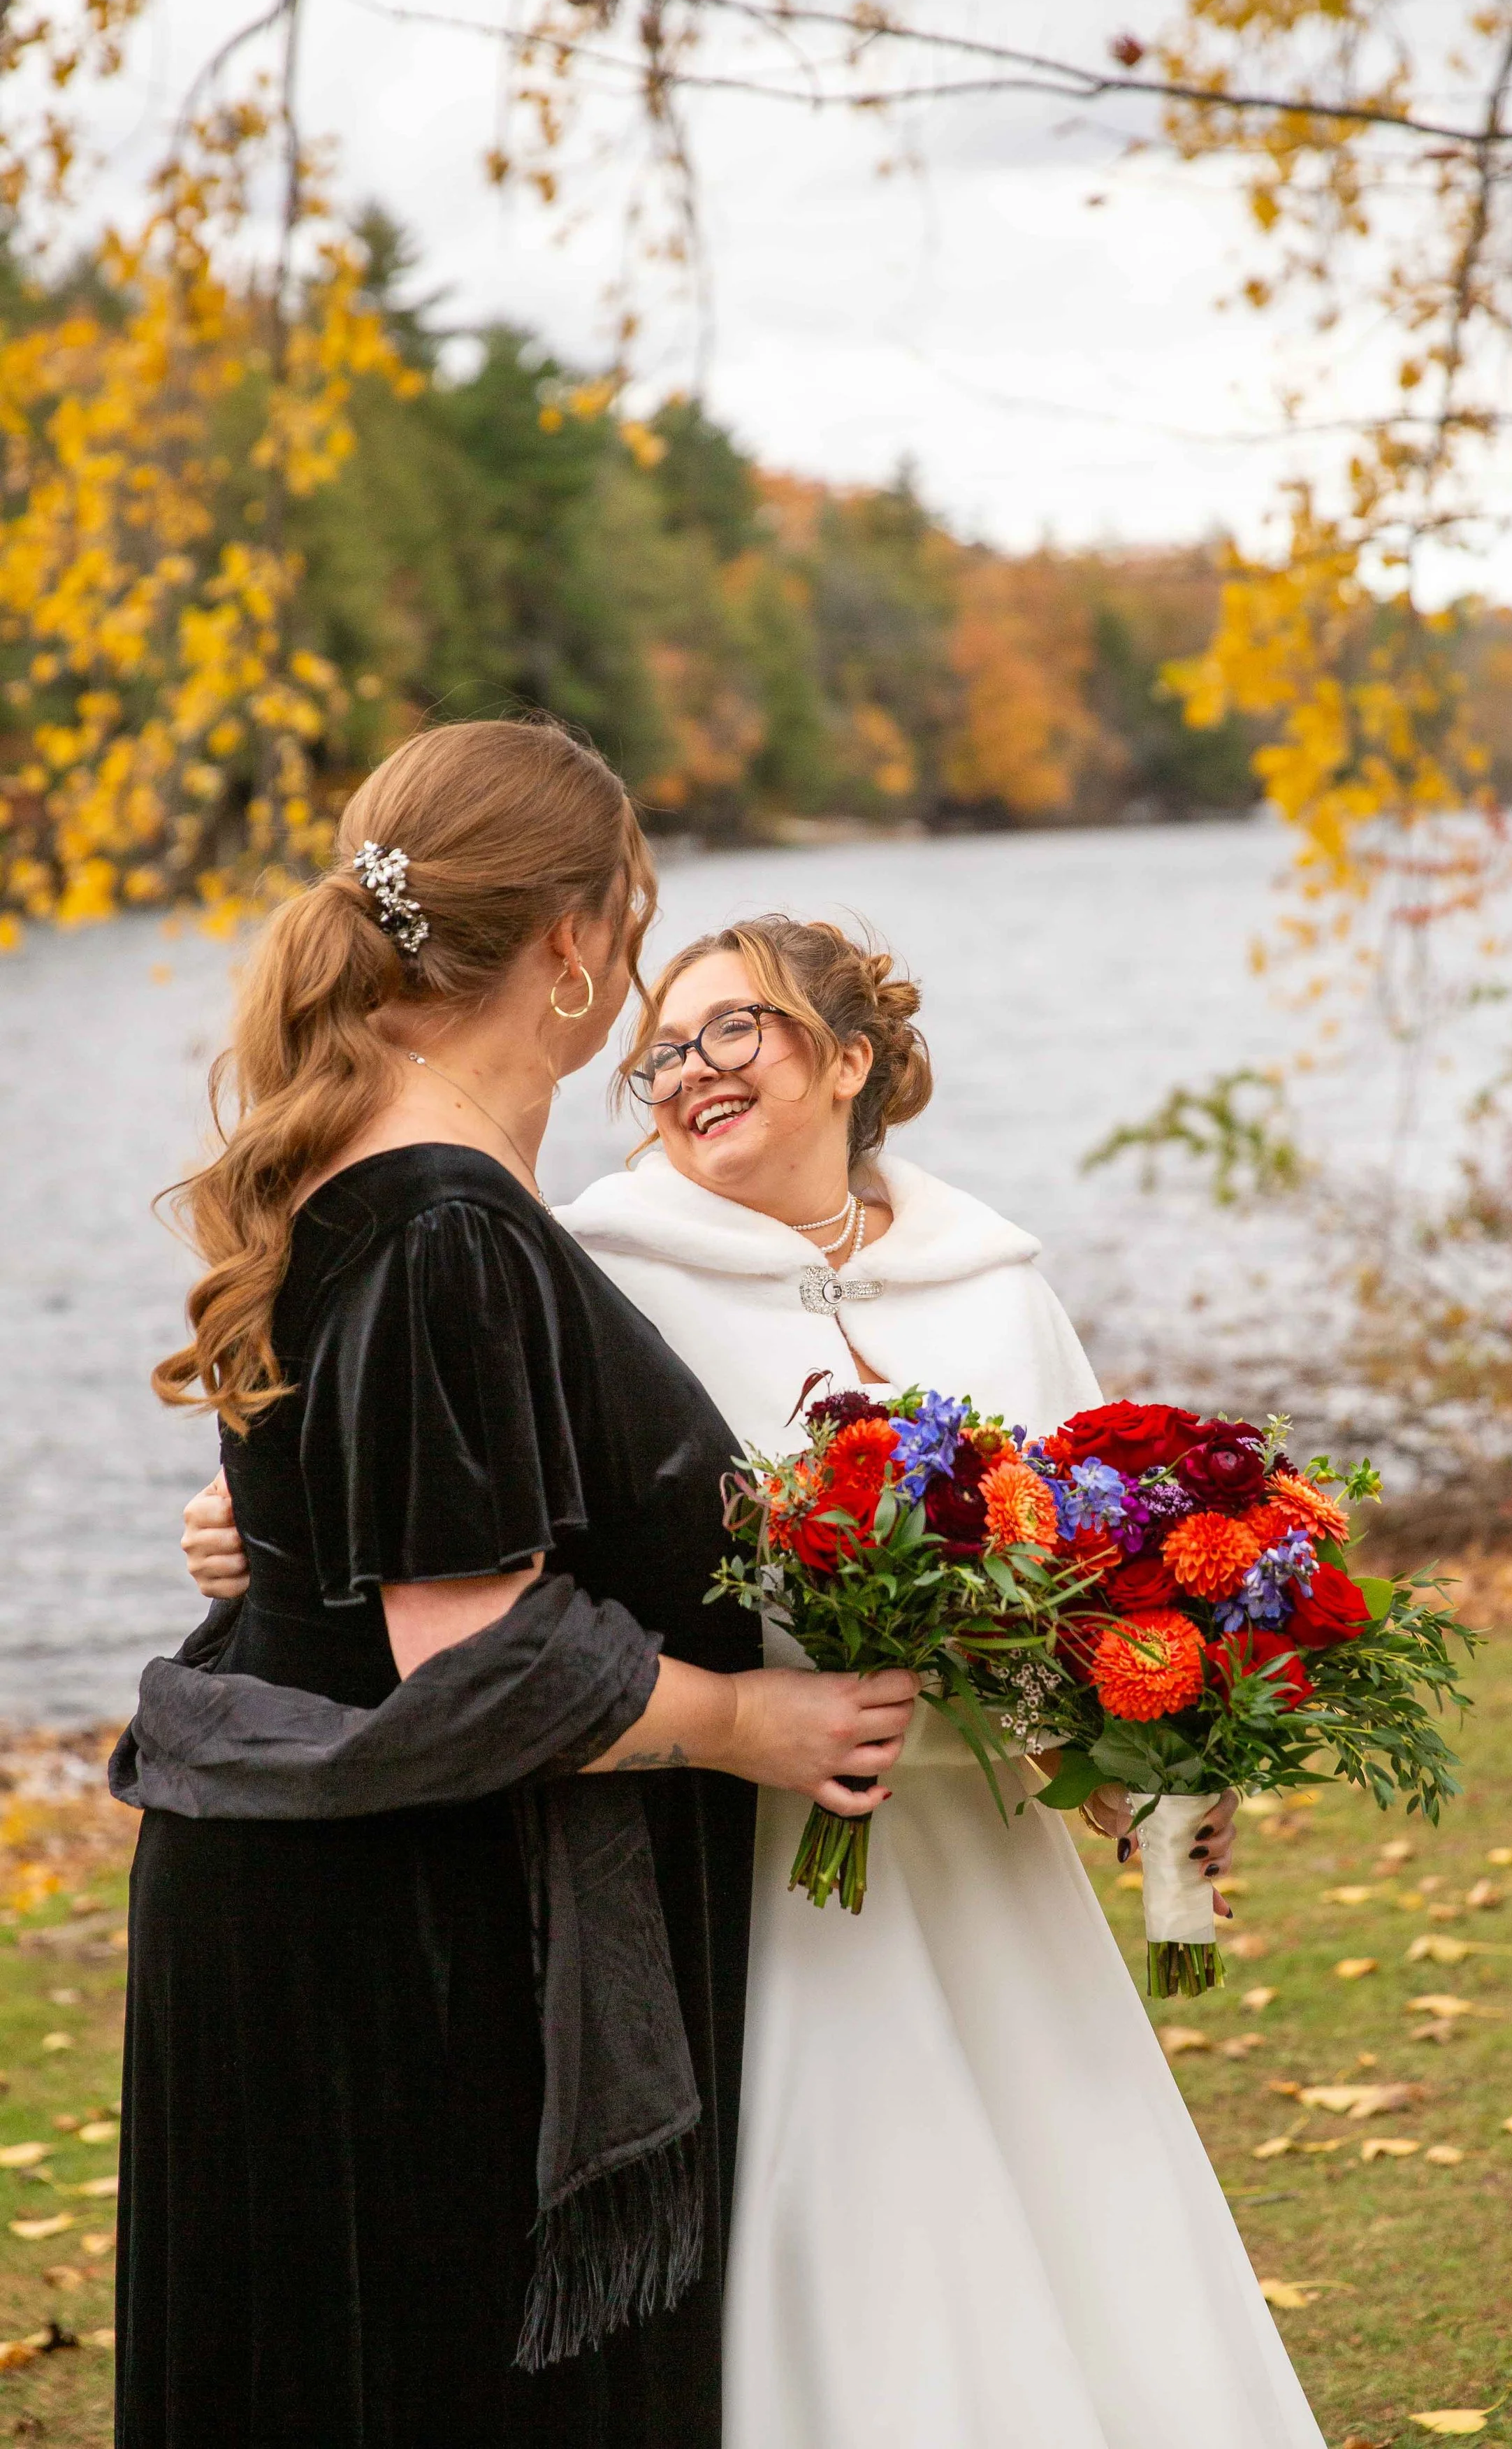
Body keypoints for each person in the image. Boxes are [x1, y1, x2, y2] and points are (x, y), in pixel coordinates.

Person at [186, 907, 1325, 2449]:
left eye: (736, 1030)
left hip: (976, 1856)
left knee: (1071, 2214)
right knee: (831, 2247)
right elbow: (429, 1492)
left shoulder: (994, 1283)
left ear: (851, 1057)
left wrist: (1150, 1767)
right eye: (660, 1047)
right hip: (740, 1856)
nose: (685, 1070)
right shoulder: (594, 1268)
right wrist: (249, 1534)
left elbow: (1083, 1583)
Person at [131, 727, 917, 2449]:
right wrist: (744, 1720)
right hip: (407, 1964)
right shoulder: (439, 1222)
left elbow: (352, 1535)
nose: (633, 980)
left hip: (341, 1914)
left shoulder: (400, 1189)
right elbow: (475, 1658)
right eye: (629, 932)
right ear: (570, 946)